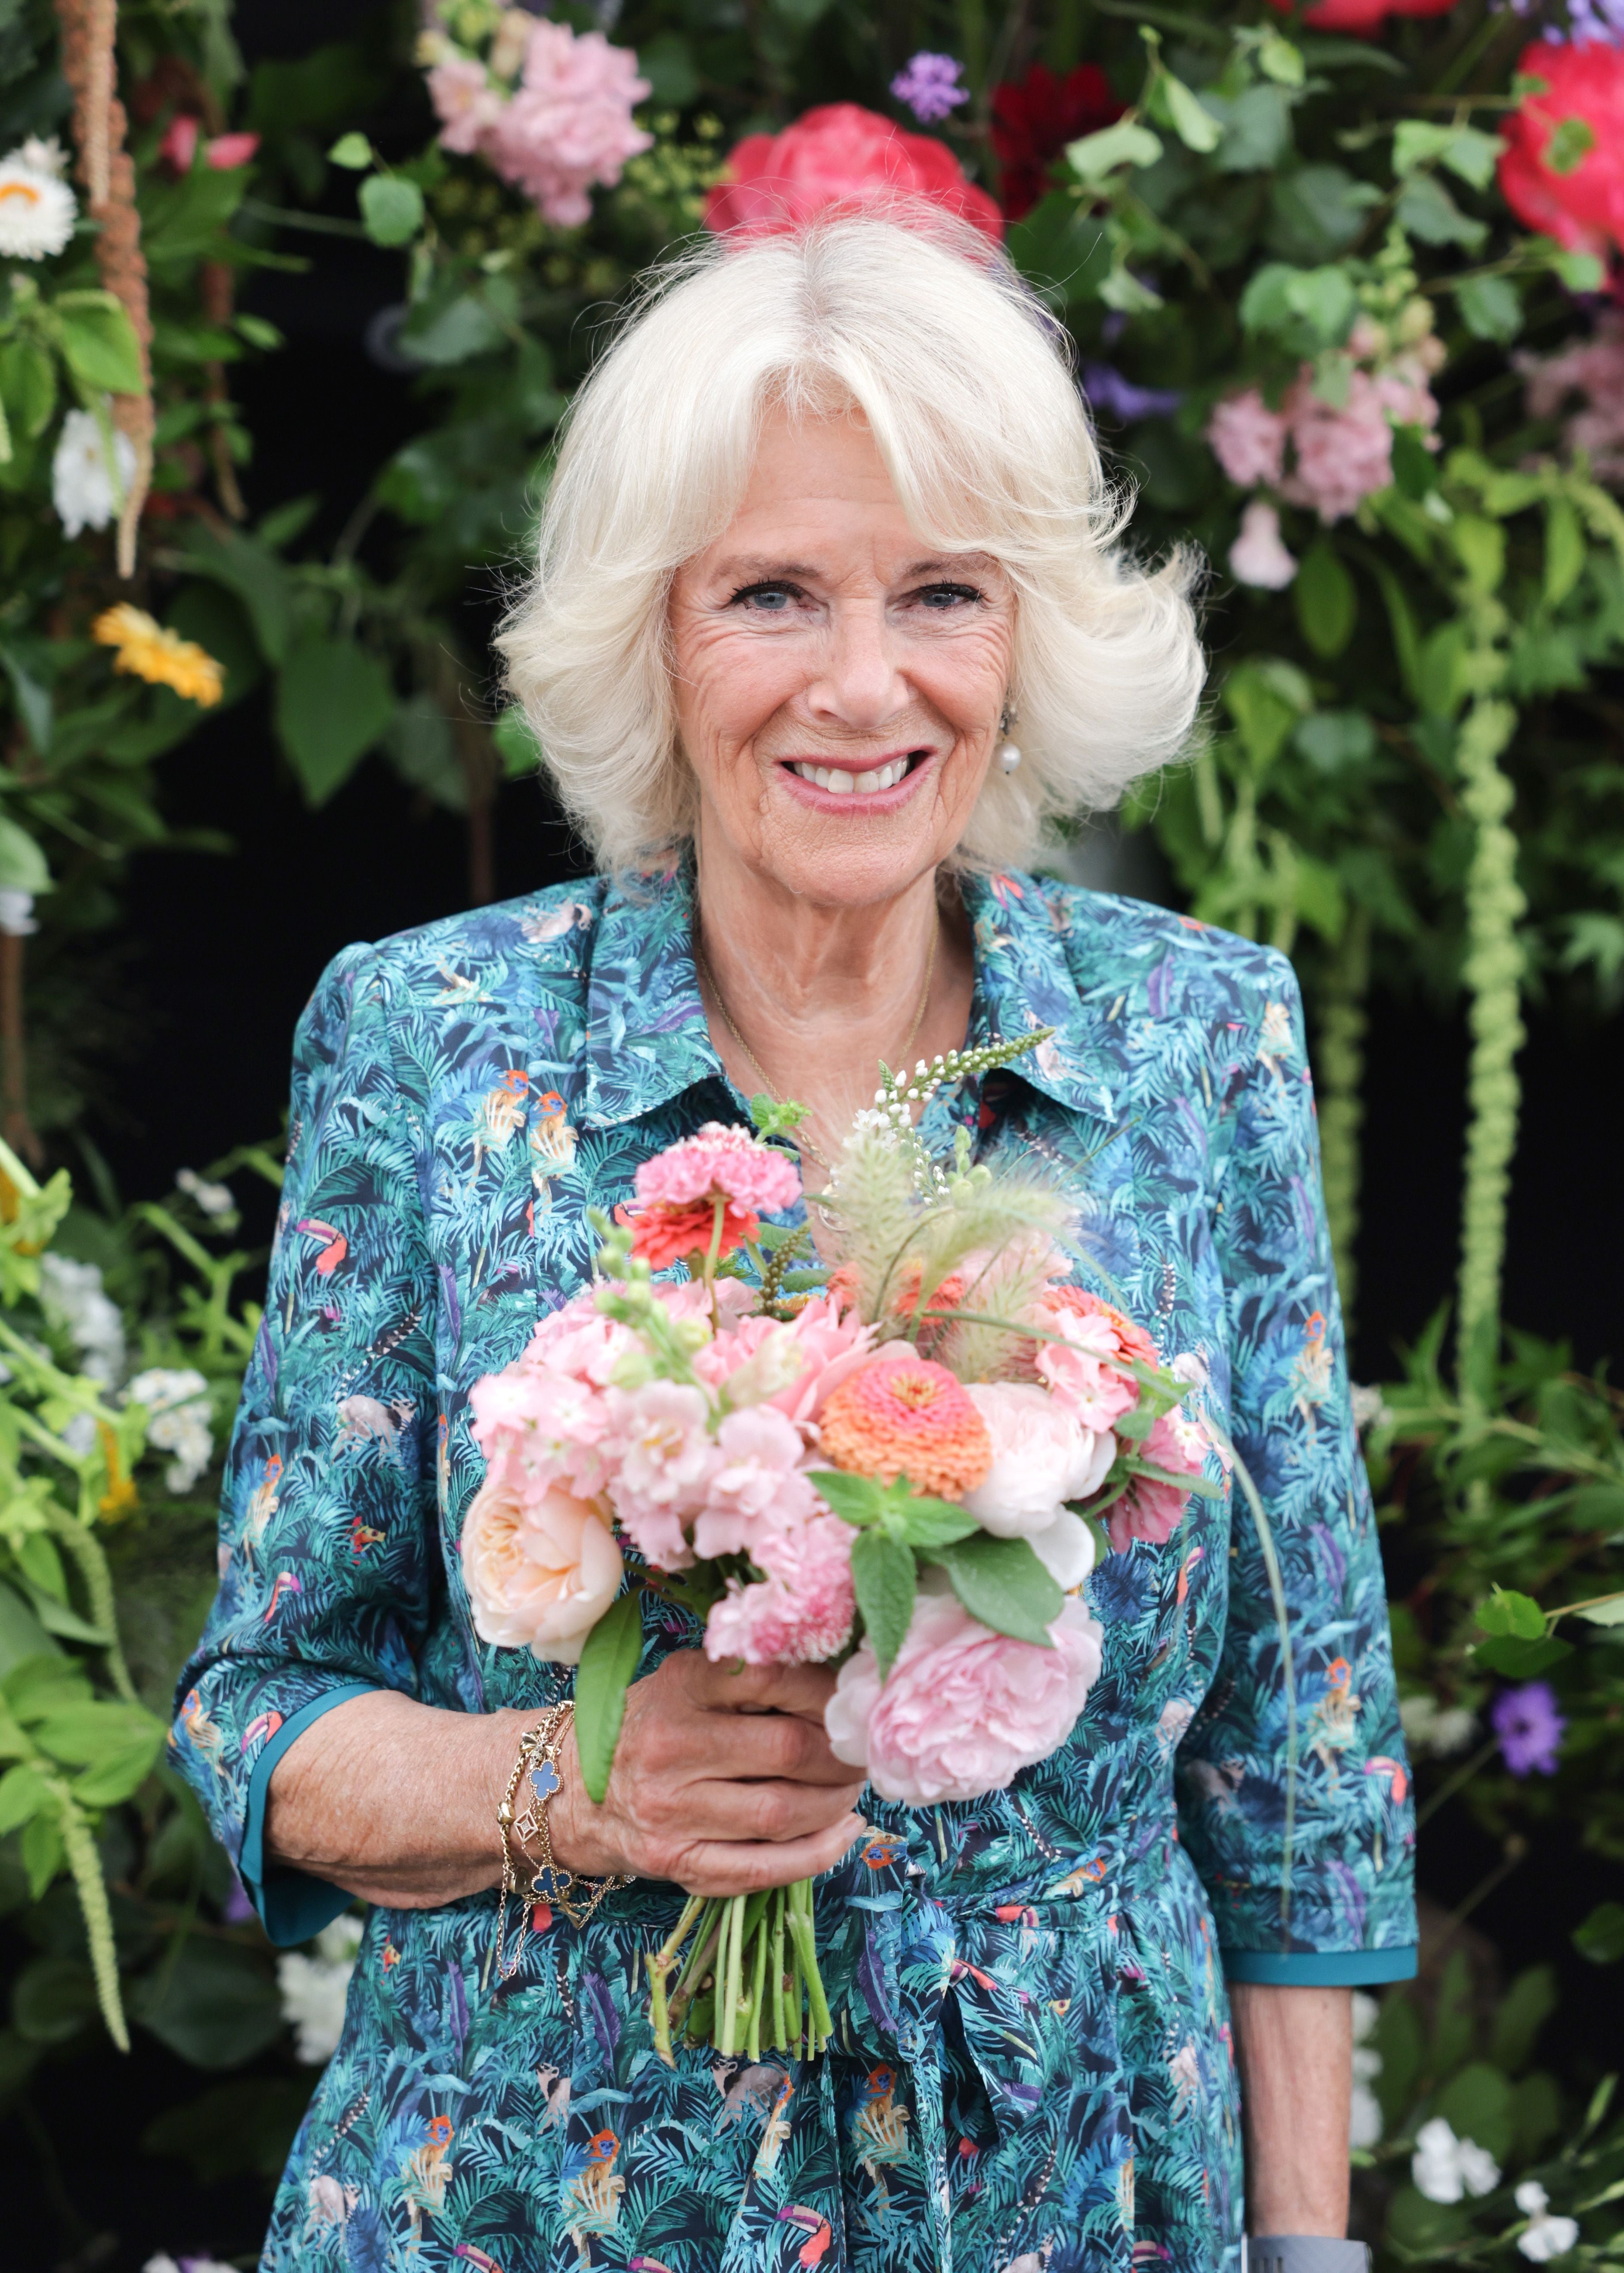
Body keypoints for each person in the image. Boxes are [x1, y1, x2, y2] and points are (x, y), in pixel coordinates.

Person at [174, 212, 1415, 2273]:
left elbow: (1303, 1740)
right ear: (648, 639)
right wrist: (571, 1792)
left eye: (941, 591)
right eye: (770, 592)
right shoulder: (433, 1043)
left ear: (1028, 639)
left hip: (1082, 2190)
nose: (867, 683)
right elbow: (262, 1716)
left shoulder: (1200, 1039)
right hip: (541, 2199)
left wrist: (1306, 2248)